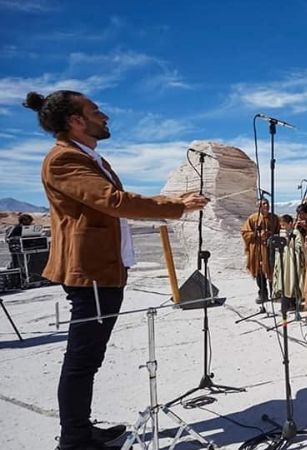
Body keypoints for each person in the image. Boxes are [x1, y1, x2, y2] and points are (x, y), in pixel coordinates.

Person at [25, 90, 208, 450]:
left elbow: (114, 202)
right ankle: (74, 439)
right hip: (90, 273)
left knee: (88, 357)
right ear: (76, 121)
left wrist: (173, 205)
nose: (105, 116)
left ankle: (79, 429)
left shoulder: (88, 156)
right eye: (95, 111)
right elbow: (112, 202)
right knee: (83, 358)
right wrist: (176, 206)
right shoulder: (64, 159)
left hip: (104, 270)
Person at [241, 199, 280, 303]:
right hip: (257, 249)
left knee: (272, 269)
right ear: (259, 207)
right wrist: (257, 235)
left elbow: (278, 232)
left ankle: (275, 293)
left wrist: (270, 235)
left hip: (269, 248)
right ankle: (263, 294)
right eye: (263, 204)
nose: (266, 205)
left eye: (267, 203)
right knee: (259, 271)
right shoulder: (253, 218)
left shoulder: (274, 218)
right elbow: (245, 233)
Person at [272, 215, 305, 302]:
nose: (282, 227)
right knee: (284, 278)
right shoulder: (282, 233)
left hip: (292, 261)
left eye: (284, 225)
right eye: (281, 225)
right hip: (284, 259)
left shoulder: (296, 233)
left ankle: (294, 300)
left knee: (292, 279)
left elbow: (300, 247)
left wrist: (288, 242)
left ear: (290, 223)